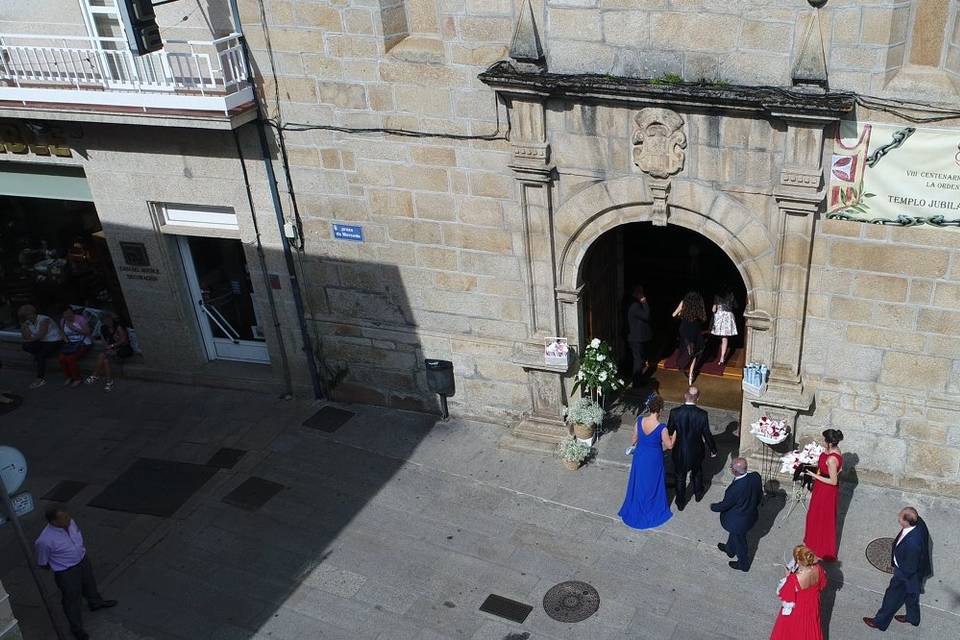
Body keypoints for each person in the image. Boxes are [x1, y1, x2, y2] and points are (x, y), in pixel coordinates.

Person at [35, 507, 117, 640]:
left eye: (68, 516)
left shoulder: (70, 522)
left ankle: (95, 603)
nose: (69, 520)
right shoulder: (45, 540)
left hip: (82, 560)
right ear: (54, 522)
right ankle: (77, 628)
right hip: (66, 571)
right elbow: (42, 562)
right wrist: (60, 566)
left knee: (90, 584)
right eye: (64, 518)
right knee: (72, 600)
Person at [864, 507, 932, 630]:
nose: (898, 519)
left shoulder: (913, 543)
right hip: (915, 573)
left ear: (906, 522)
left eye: (900, 518)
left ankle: (879, 622)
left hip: (905, 575)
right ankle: (913, 618)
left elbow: (910, 568)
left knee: (891, 598)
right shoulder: (918, 522)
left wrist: (900, 578)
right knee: (912, 595)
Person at [618, 393, 676, 530]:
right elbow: (669, 446)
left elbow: (633, 440)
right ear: (660, 409)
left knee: (639, 482)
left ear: (649, 408)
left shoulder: (639, 421)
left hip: (640, 456)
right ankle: (651, 507)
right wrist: (675, 434)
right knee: (653, 484)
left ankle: (637, 505)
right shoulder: (662, 428)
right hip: (654, 459)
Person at [666, 385, 717, 510]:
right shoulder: (702, 414)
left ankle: (680, 502)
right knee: (697, 471)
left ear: (685, 395)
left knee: (680, 476)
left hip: (680, 450)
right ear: (697, 398)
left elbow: (669, 430)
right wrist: (713, 449)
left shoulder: (675, 413)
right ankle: (698, 493)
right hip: (697, 450)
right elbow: (707, 433)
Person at [711, 457, 763, 571]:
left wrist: (713, 507)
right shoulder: (755, 476)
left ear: (734, 471)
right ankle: (730, 549)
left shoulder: (735, 490)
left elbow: (725, 504)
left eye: (731, 467)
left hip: (739, 522)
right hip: (750, 515)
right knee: (735, 534)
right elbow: (759, 495)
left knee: (741, 543)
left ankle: (743, 565)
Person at [769, 544, 827, 640]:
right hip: (813, 604)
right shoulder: (818, 569)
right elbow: (822, 585)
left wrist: (788, 577)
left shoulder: (794, 579)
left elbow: (783, 595)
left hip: (798, 608)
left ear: (799, 561)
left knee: (792, 631)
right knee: (810, 628)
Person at [803, 429, 844, 562]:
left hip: (827, 490)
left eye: (824, 440)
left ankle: (821, 548)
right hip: (821, 486)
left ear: (829, 443)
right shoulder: (835, 451)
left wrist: (814, 475)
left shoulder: (832, 459)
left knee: (823, 518)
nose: (822, 441)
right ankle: (813, 542)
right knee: (815, 515)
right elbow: (841, 469)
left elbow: (833, 481)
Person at [85, 314, 133, 392]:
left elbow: (124, 340)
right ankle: (109, 382)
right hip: (112, 348)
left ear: (111, 319)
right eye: (105, 321)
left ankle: (95, 375)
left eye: (108, 319)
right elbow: (104, 341)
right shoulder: (103, 328)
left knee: (103, 357)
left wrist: (112, 346)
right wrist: (108, 347)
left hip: (123, 349)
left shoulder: (118, 327)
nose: (107, 322)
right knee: (105, 360)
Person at [18, 304, 63, 388]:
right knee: (25, 346)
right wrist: (23, 328)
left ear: (33, 312)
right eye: (25, 316)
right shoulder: (27, 322)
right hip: (43, 341)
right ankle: (41, 356)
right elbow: (26, 337)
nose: (28, 317)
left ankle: (40, 379)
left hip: (54, 340)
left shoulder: (44, 319)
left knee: (40, 355)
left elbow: (40, 335)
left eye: (29, 314)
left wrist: (29, 339)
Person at [672, 291, 706, 385]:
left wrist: (680, 314)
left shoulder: (683, 302)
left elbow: (674, 315)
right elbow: (702, 318)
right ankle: (691, 374)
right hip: (695, 328)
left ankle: (684, 363)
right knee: (695, 351)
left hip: (685, 328)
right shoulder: (699, 304)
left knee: (685, 347)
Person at [59, 306, 93, 387]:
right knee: (61, 358)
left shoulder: (80, 319)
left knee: (70, 358)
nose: (68, 315)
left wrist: (74, 328)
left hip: (83, 342)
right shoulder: (63, 321)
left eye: (70, 313)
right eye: (66, 314)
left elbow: (88, 332)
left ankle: (77, 378)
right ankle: (68, 377)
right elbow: (62, 333)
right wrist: (67, 342)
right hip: (71, 343)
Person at [626, 285, 652, 386]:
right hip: (636, 337)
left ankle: (639, 379)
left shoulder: (630, 302)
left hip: (635, 336)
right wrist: (645, 302)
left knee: (639, 359)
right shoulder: (635, 305)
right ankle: (636, 382)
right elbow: (646, 316)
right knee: (638, 360)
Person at [710, 287, 738, 366]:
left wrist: (716, 306)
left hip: (720, 316)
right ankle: (722, 357)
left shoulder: (717, 296)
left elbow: (713, 309)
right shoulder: (731, 295)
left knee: (718, 337)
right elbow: (736, 306)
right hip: (728, 317)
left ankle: (717, 354)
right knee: (725, 338)